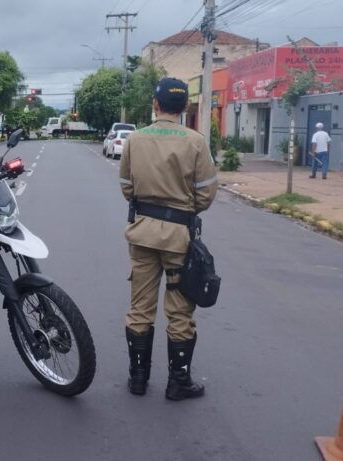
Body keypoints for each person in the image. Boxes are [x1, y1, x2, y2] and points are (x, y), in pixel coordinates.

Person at [119, 77, 218, 400]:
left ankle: (137, 380)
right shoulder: (196, 142)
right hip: (179, 237)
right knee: (179, 310)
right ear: (185, 107)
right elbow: (205, 194)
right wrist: (183, 207)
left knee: (140, 308)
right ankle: (178, 382)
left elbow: (127, 187)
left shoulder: (135, 140)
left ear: (155, 105)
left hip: (143, 233)